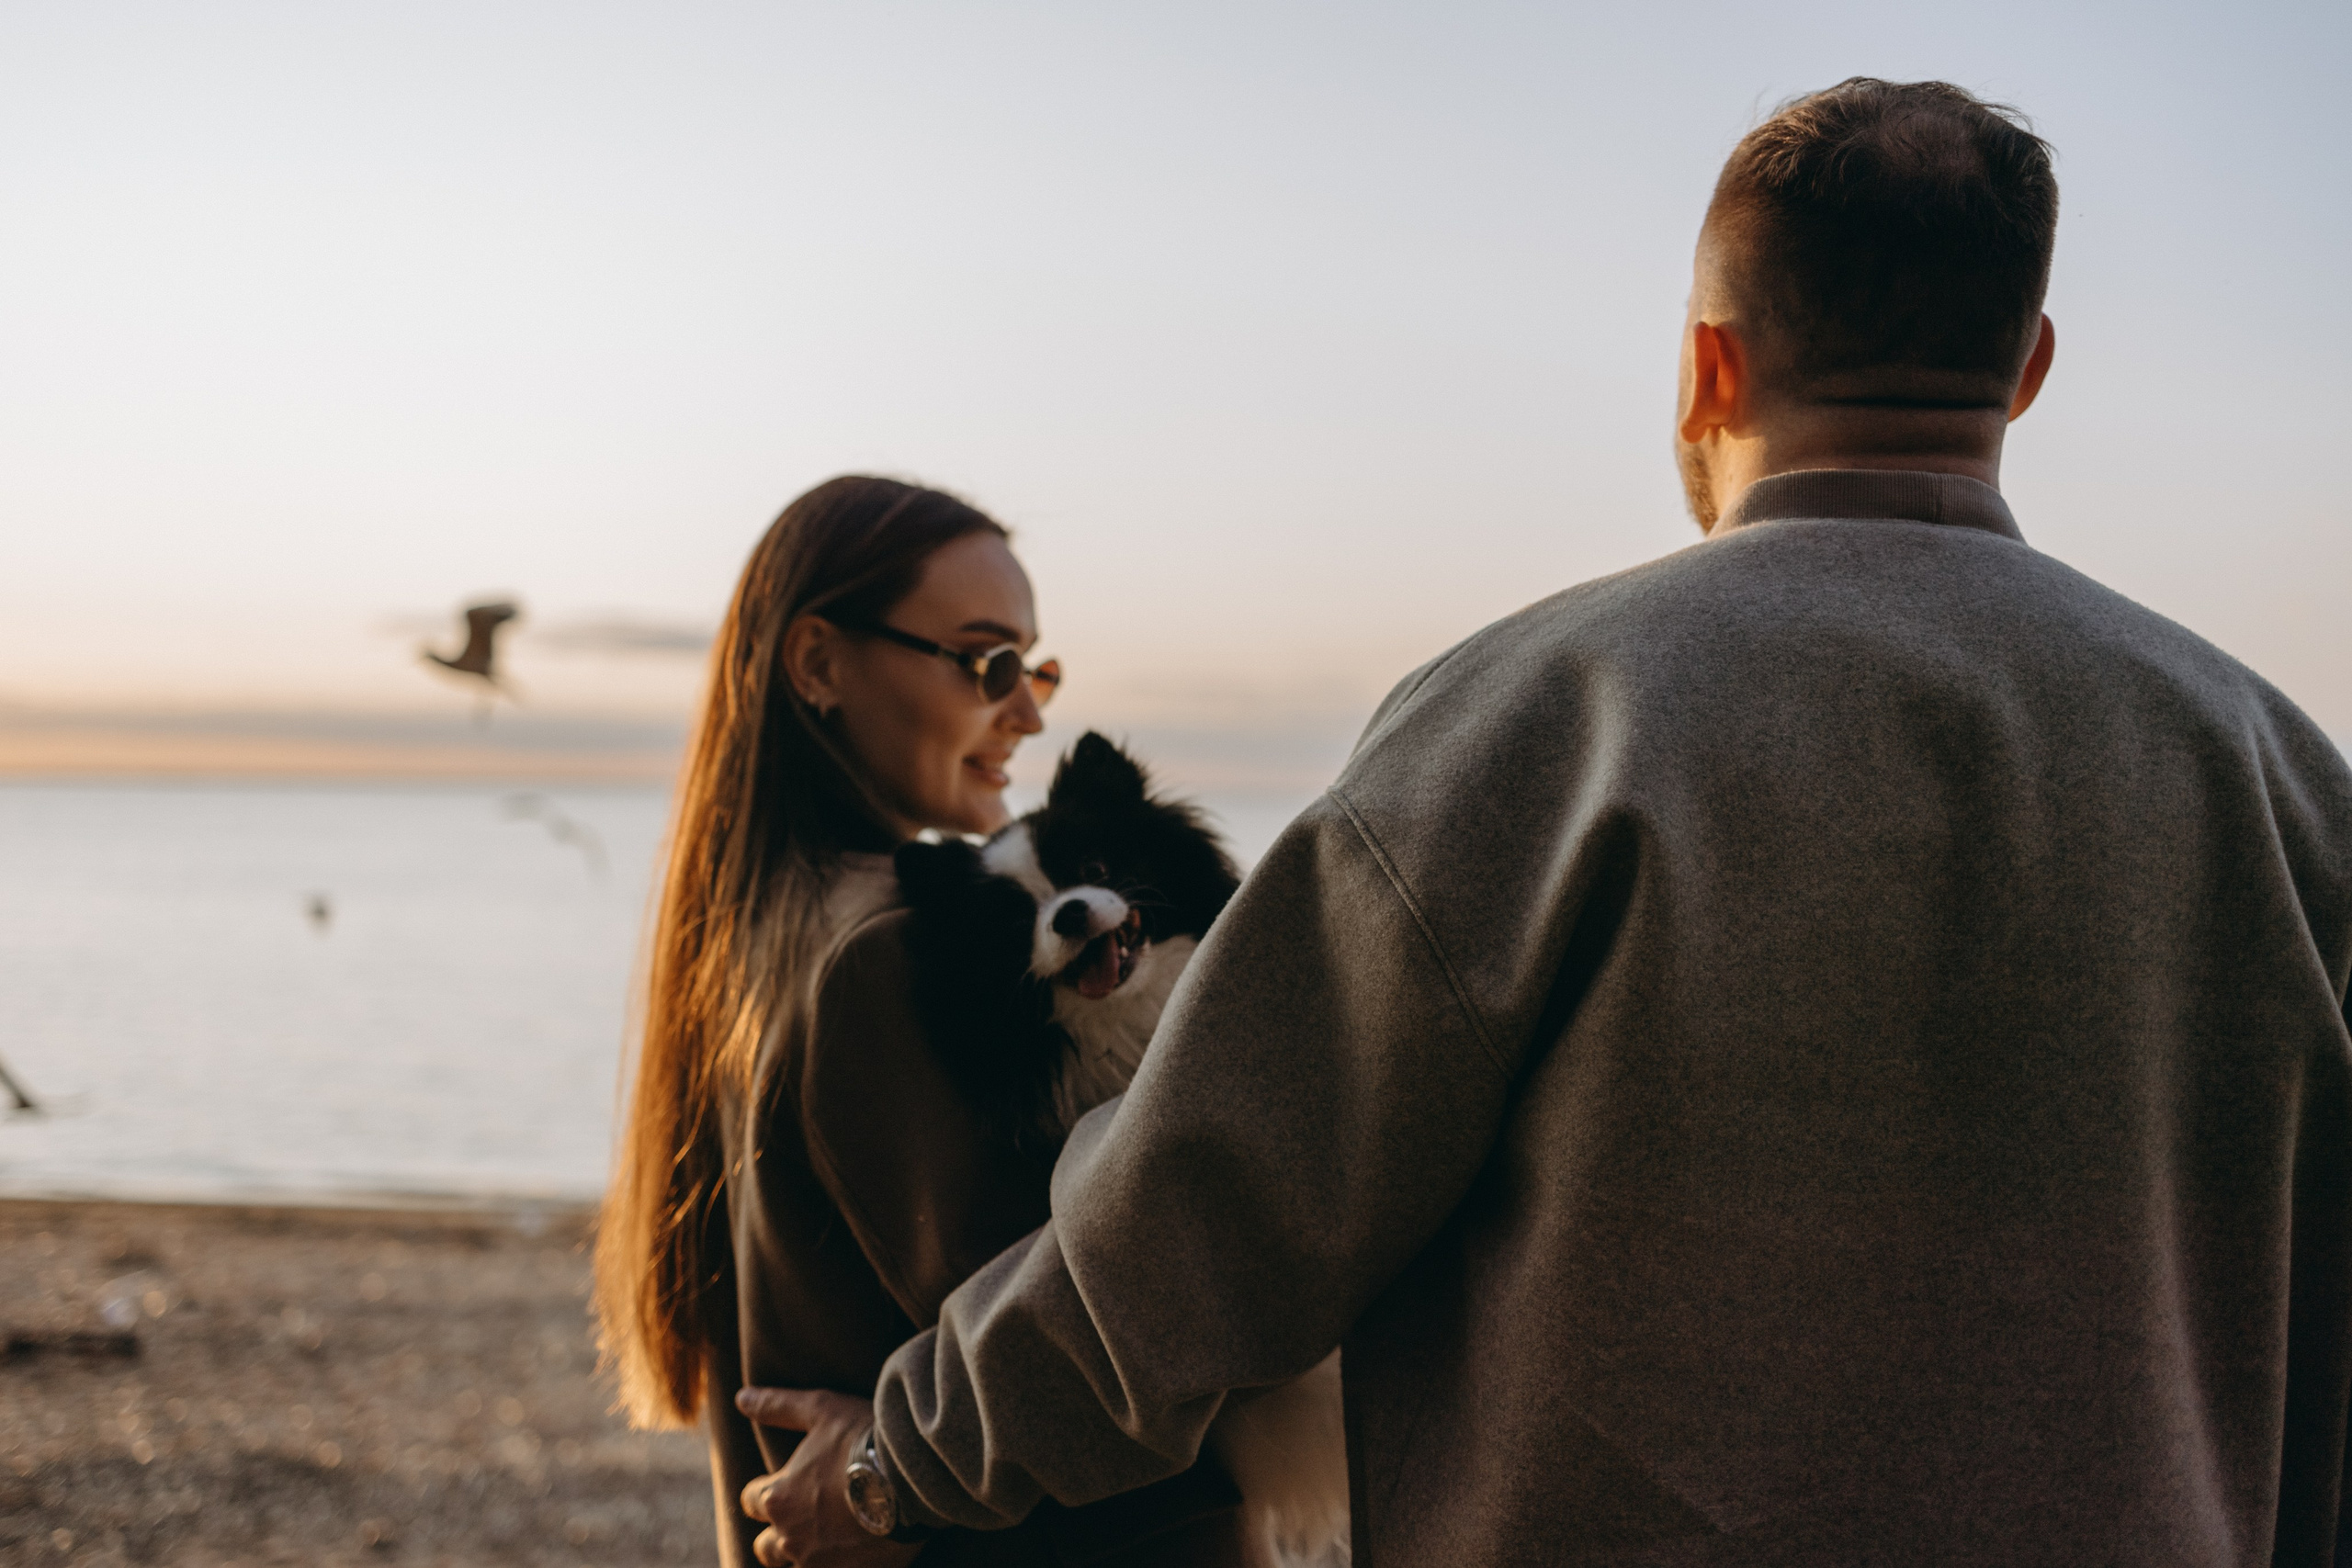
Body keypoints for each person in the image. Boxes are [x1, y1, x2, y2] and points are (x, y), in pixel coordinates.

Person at [732, 80, 2352, 1567]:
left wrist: (899, 1466)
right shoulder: (2285, 783)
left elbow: (1203, 1224)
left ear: (1712, 362)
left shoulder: (1529, 725)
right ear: (2031, 364)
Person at [592, 476, 1250, 1566]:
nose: (1029, 712)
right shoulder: (902, 951)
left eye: (1035, 668)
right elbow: (1088, 1348)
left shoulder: (758, 936)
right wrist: (885, 1472)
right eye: (987, 663)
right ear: (818, 664)